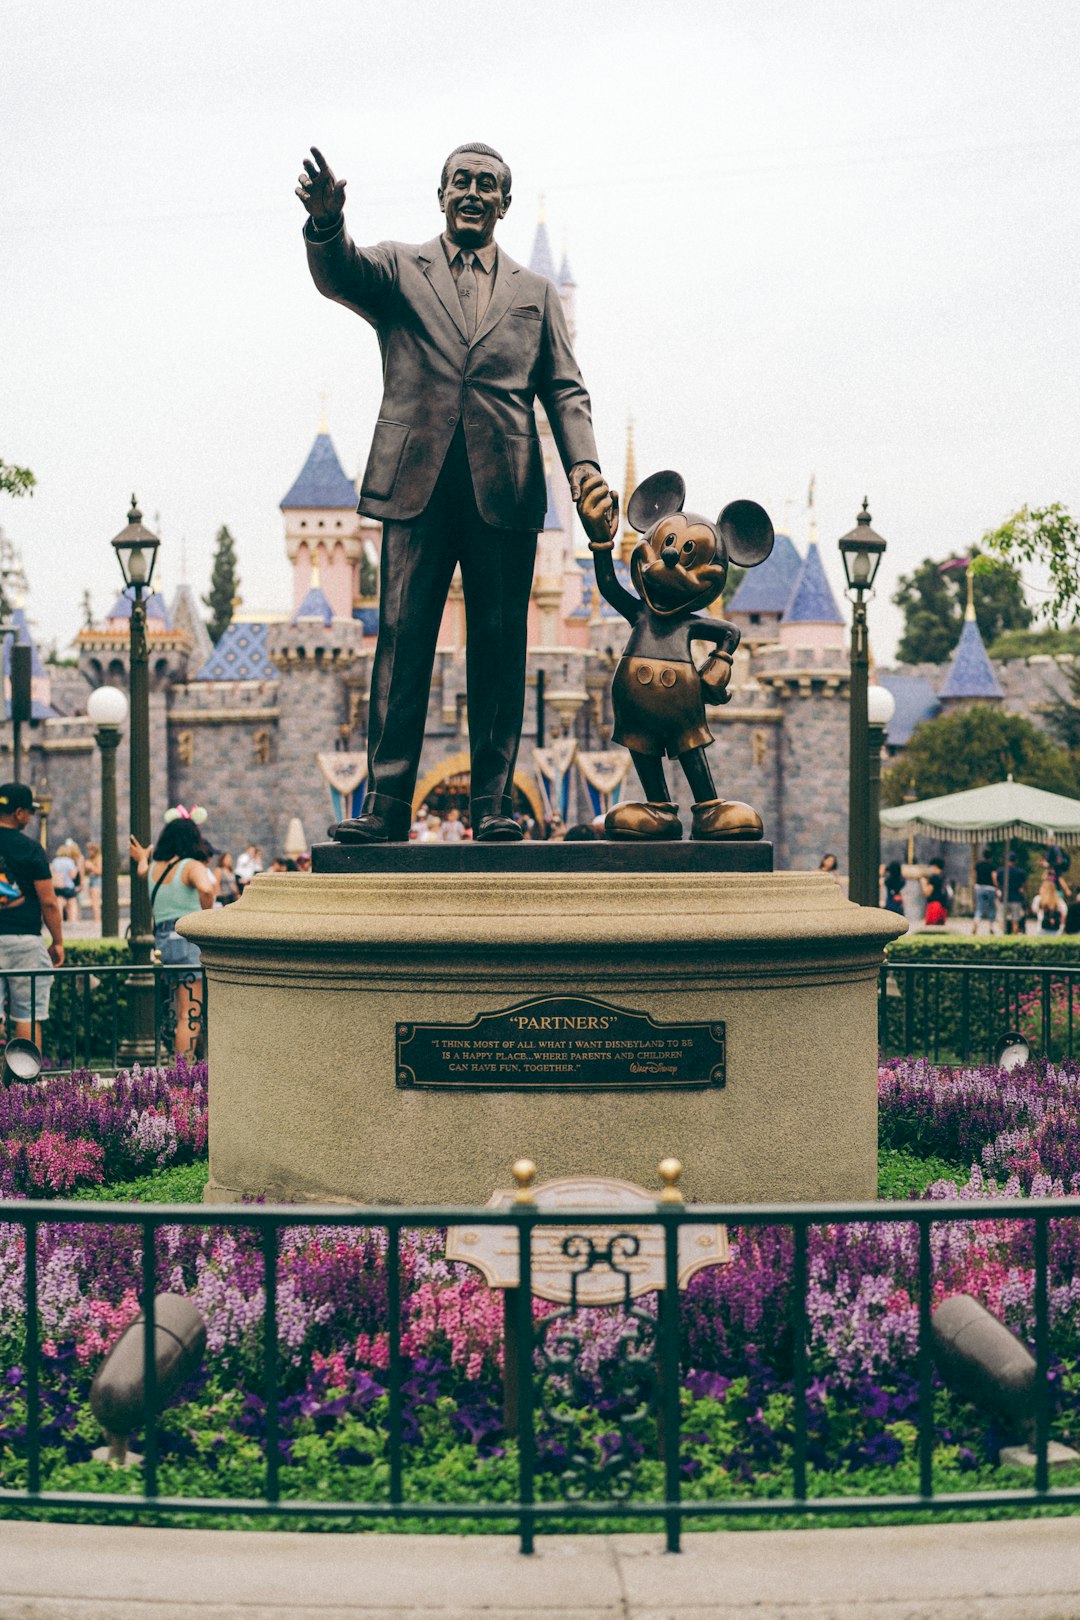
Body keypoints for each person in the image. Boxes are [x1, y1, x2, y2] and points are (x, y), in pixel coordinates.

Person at [298, 142, 602, 844]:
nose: (472, 191)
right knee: (401, 643)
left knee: (500, 650)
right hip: (417, 485)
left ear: (504, 203)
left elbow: (565, 386)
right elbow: (339, 273)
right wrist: (324, 227)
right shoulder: (402, 268)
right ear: (441, 194)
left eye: (487, 184)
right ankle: (386, 804)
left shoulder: (535, 294)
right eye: (460, 181)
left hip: (508, 488)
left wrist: (583, 469)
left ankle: (494, 803)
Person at [129, 813, 215, 1056]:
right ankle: (184, 1072)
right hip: (188, 938)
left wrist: (143, 857)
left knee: (180, 1010)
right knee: (190, 1012)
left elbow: (141, 871)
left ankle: (193, 1066)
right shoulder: (191, 866)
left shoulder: (155, 868)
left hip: (164, 942)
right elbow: (206, 888)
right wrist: (207, 914)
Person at [0, 783, 64, 1045]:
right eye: (29, 812)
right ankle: (25, 1083)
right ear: (18, 813)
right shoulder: (30, 848)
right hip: (24, 940)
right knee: (27, 1014)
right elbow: (48, 902)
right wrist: (58, 941)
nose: (30, 818)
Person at [996, 848, 1027, 936]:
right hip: (1016, 898)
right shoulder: (1020, 872)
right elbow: (1025, 884)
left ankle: (1003, 934)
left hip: (1004, 898)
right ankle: (1014, 936)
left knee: (1001, 919)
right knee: (1015, 920)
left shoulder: (1001, 871)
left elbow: (997, 882)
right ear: (1015, 861)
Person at [50, 840, 82, 925]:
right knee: (72, 903)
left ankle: (59, 921)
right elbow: (73, 875)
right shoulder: (69, 861)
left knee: (59, 902)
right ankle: (72, 921)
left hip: (58, 886)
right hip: (68, 885)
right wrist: (78, 868)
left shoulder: (55, 861)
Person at [973, 847, 998, 935]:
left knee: (980, 907)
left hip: (979, 887)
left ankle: (976, 923)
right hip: (990, 888)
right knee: (991, 908)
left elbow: (975, 876)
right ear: (990, 857)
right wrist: (997, 887)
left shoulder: (978, 865)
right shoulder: (992, 866)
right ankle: (991, 927)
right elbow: (994, 877)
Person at [920, 860, 950, 928]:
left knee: (930, 928)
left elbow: (927, 892)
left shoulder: (934, 877)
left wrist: (923, 881)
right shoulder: (943, 876)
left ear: (934, 867)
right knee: (939, 929)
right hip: (943, 907)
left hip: (934, 905)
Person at [84, 841, 103, 931]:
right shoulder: (91, 859)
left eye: (90, 850)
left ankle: (97, 920)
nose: (89, 852)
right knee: (93, 902)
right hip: (92, 881)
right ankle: (95, 919)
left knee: (96, 902)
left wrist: (91, 867)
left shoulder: (99, 858)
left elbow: (100, 871)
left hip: (97, 881)